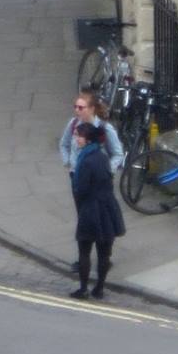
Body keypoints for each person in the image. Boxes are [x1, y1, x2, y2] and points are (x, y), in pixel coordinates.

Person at [71, 118, 126, 298]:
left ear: (87, 139)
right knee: (104, 253)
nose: (76, 139)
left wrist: (80, 198)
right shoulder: (102, 157)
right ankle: (99, 288)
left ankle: (83, 288)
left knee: (84, 250)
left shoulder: (85, 161)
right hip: (108, 208)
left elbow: (81, 188)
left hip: (91, 209)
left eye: (79, 136)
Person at [59, 87, 124, 179]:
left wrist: (106, 171)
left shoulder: (105, 128)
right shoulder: (73, 124)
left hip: (97, 178)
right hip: (76, 175)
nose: (77, 110)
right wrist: (68, 162)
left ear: (92, 109)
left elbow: (118, 154)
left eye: (81, 108)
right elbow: (64, 144)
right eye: (75, 107)